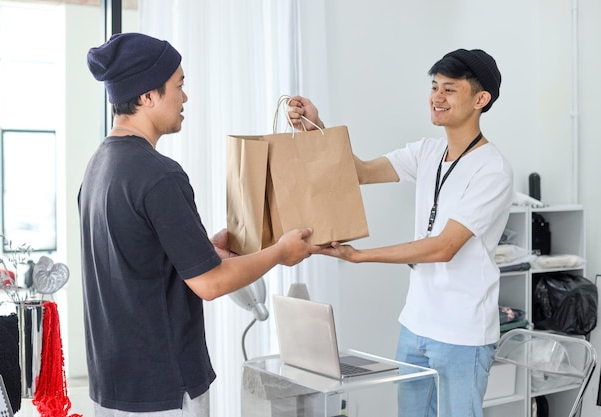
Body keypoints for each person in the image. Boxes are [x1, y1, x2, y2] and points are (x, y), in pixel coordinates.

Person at [79, 32, 317, 417]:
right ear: (146, 96)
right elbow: (209, 284)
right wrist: (280, 253)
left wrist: (201, 247)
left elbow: (135, 258)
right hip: (165, 392)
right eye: (179, 85)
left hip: (114, 386)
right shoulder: (159, 175)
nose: (185, 97)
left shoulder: (100, 165)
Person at [289, 49, 513, 417]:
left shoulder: (493, 170)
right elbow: (357, 171)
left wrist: (360, 256)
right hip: (415, 325)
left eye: (450, 89)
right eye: (434, 87)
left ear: (480, 99)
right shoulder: (427, 152)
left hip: (462, 334)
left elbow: (443, 247)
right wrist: (316, 126)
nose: (436, 97)